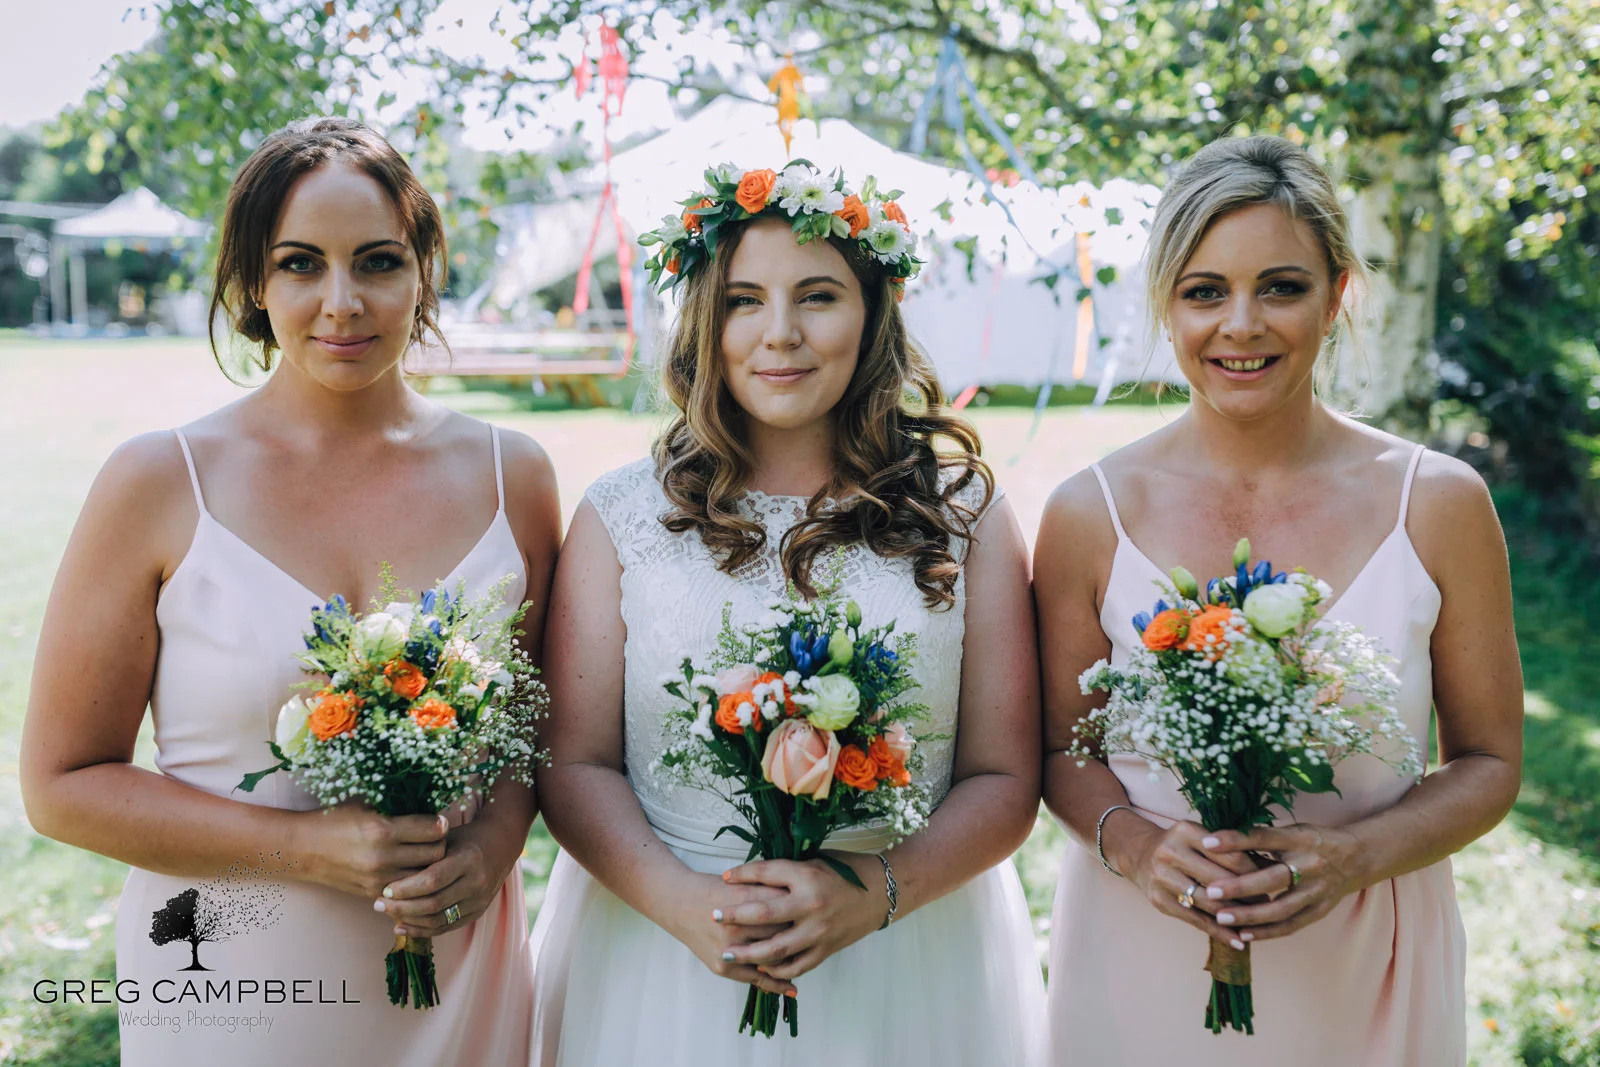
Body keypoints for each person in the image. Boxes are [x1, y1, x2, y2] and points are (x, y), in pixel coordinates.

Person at [19, 117, 558, 1066]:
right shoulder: (158, 481)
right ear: (252, 285)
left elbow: (529, 740)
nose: (341, 302)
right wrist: (308, 849)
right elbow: (62, 786)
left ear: (424, 271)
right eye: (301, 264)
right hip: (233, 986)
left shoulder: (514, 477)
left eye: (379, 262)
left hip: (460, 978)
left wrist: (493, 848)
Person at [528, 163, 1046, 1066]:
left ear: (874, 314)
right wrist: (688, 907)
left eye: (818, 297)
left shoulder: (964, 515)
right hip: (664, 947)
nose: (781, 334)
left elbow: (1005, 777)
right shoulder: (621, 515)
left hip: (907, 952)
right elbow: (574, 763)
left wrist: (873, 891)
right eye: (743, 301)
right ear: (704, 319)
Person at [1037, 135, 1523, 1065]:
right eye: (1205, 290)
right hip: (1139, 955)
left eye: (1282, 287)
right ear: (1165, 306)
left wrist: (1357, 855)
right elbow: (1061, 749)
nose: (1242, 324)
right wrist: (1138, 846)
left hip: (1367, 963)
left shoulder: (1440, 501)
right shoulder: (1087, 513)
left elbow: (1492, 759)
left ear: (1338, 293)